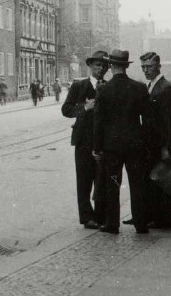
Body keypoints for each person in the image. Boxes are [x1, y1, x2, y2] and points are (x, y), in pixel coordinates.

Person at [93, 49, 154, 234]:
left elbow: (99, 122)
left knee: (113, 184)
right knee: (137, 184)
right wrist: (145, 143)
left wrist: (97, 148)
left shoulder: (103, 89)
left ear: (111, 66)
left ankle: (112, 224)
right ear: (126, 67)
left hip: (112, 148)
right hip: (135, 147)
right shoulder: (139, 88)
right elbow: (148, 120)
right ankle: (141, 224)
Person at [61, 50, 109, 229]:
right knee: (83, 181)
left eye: (104, 66)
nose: (101, 68)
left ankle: (101, 216)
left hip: (102, 142)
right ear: (90, 66)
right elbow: (66, 110)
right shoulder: (79, 86)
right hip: (83, 141)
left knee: (102, 180)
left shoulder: (110, 87)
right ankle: (87, 217)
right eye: (97, 65)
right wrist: (84, 107)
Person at [132, 52, 171, 229]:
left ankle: (164, 220)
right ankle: (156, 217)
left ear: (158, 66)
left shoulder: (165, 88)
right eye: (143, 67)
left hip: (160, 144)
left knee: (162, 182)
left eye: (149, 66)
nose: (146, 70)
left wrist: (166, 147)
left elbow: (169, 121)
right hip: (152, 144)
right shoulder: (153, 85)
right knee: (154, 181)